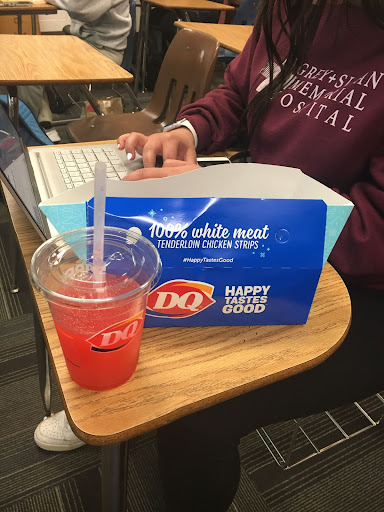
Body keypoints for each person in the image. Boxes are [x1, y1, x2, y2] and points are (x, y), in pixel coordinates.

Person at [35, 1, 384, 510]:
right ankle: (108, 406)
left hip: (352, 284)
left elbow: (373, 235)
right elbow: (242, 91)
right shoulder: (296, 9)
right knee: (121, 291)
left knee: (195, 409)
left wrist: (224, 204)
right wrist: (186, 133)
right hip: (262, 231)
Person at [17, 0, 132, 126]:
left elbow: (81, 9)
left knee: (29, 65)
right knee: (28, 53)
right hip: (84, 43)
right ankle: (41, 121)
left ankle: (26, 126)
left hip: (103, 51)